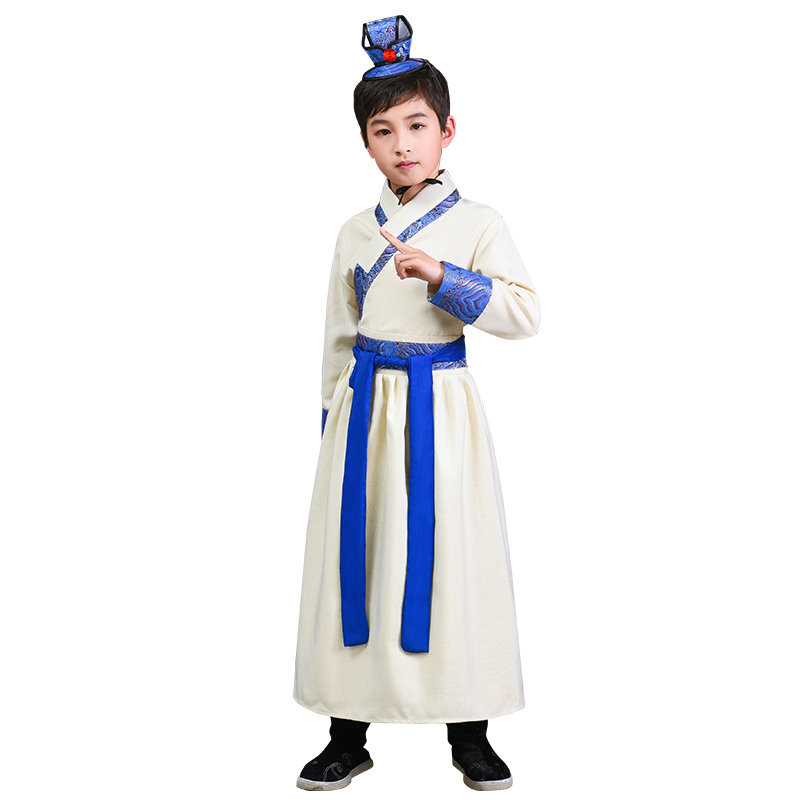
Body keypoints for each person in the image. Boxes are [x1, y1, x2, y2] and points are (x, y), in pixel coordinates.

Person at [293, 14, 541, 792]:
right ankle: (347, 732)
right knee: (360, 558)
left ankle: (470, 733)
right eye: (383, 130)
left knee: (452, 560)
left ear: (447, 130)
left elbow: (524, 313)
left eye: (417, 125)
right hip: (365, 415)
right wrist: (332, 425)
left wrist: (443, 278)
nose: (402, 144)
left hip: (442, 410)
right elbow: (338, 336)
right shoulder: (354, 232)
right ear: (366, 144)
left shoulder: (479, 223)